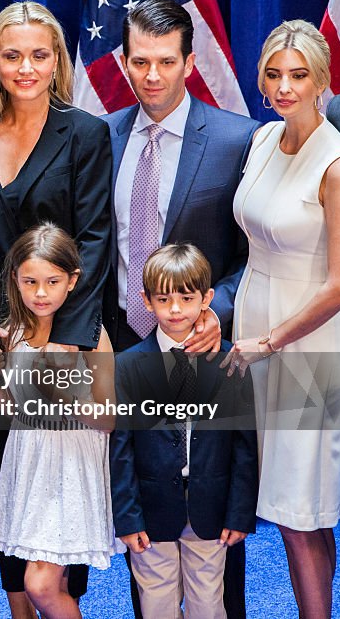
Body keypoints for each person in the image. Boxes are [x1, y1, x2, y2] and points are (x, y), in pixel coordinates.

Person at [0, 0, 112, 616]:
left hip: (66, 338)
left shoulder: (87, 132)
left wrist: (66, 337)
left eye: (38, 55)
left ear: (57, 62)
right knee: (5, 489)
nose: (25, 67)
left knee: (59, 495)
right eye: (12, 55)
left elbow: (96, 236)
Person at [102, 0, 258, 619]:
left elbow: (258, 256)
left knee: (215, 516)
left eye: (167, 62)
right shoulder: (102, 135)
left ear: (190, 62)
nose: (152, 76)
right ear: (124, 61)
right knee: (148, 509)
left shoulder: (235, 139)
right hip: (128, 348)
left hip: (206, 348)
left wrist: (216, 308)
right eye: (140, 61)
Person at [226, 19, 340, 618]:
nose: (284, 87)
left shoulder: (339, 163)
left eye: (298, 75)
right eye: (274, 74)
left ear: (322, 80)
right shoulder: (262, 140)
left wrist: (269, 342)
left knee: (301, 511)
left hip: (307, 346)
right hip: (255, 330)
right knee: (293, 506)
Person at [111, 244, 257, 619]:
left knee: (208, 605)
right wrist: (127, 517)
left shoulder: (229, 363)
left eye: (186, 298)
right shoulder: (127, 366)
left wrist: (240, 514)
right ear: (145, 301)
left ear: (206, 299)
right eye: (163, 299)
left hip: (211, 509)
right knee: (156, 604)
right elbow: (120, 448)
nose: (175, 309)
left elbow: (244, 446)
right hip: (151, 511)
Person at [0, 223, 116, 619]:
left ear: (73, 281)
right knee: (51, 585)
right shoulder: (18, 331)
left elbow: (108, 418)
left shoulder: (92, 336)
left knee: (39, 585)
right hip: (29, 465)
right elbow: (9, 407)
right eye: (30, 281)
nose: (41, 292)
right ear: (15, 280)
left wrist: (63, 393)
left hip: (70, 469)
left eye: (52, 281)